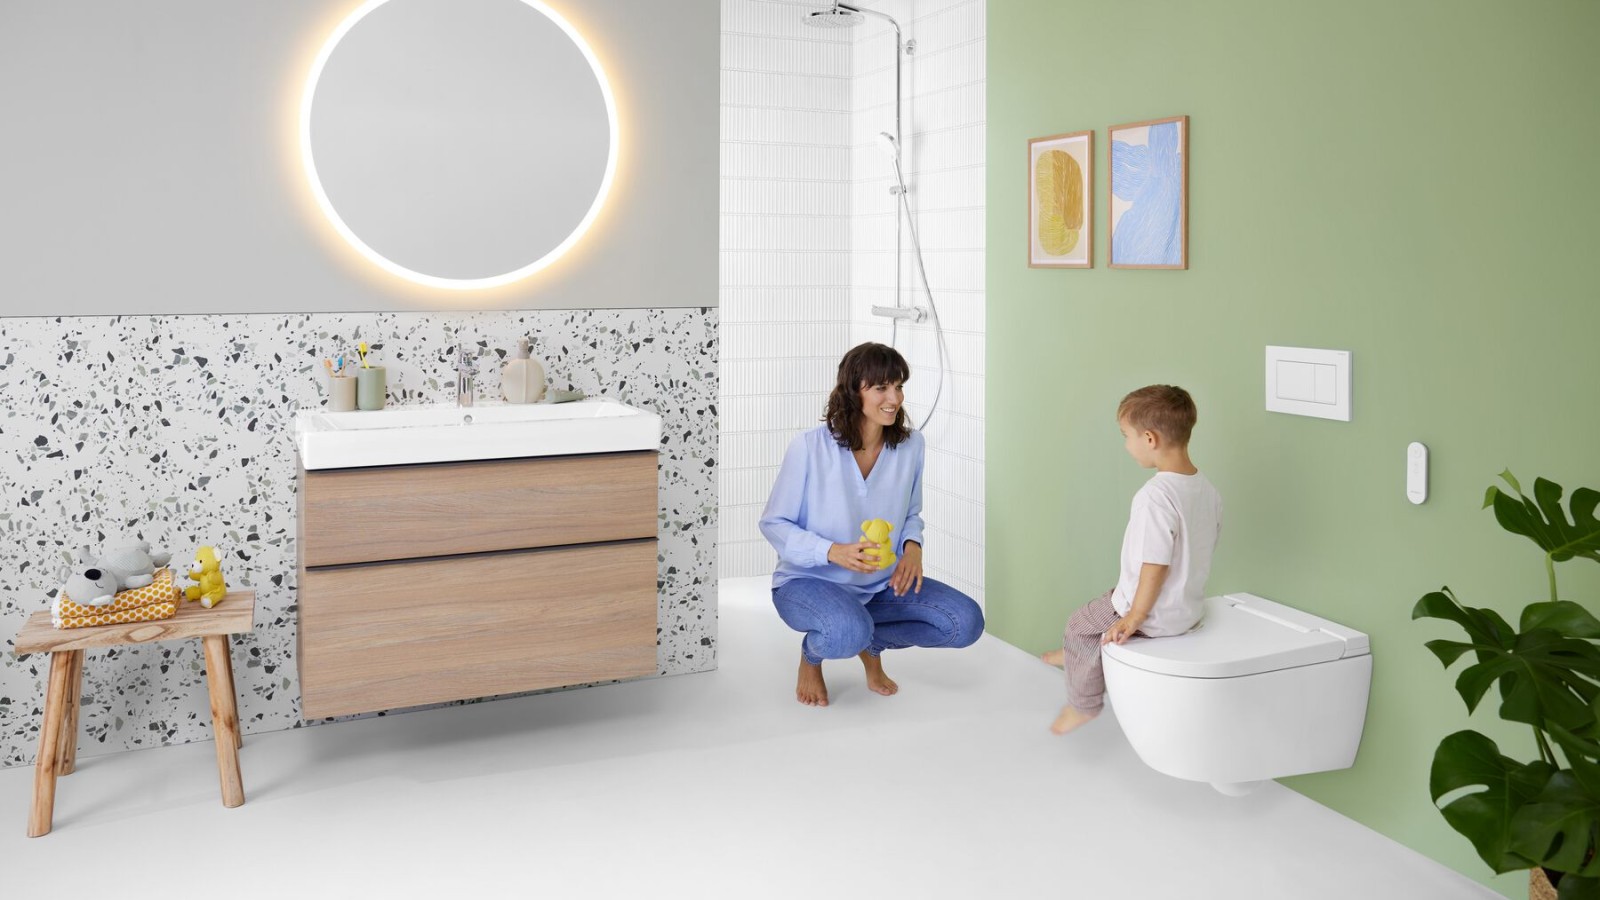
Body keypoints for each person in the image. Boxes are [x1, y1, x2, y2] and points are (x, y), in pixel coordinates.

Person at [759, 342, 985, 707]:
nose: (893, 398)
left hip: (881, 583)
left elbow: (911, 512)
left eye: (898, 386)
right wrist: (831, 551)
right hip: (808, 582)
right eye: (881, 388)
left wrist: (913, 549)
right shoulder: (809, 448)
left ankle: (871, 642)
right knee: (847, 631)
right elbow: (774, 523)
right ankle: (813, 655)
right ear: (854, 392)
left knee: (965, 622)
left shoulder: (911, 446)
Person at [1042, 385, 1222, 734]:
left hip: (1147, 610)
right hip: (1184, 611)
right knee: (1094, 624)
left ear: (1150, 438)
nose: (1126, 444)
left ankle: (1083, 703)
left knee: (1080, 626)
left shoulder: (1155, 496)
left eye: (1126, 436)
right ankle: (1079, 657)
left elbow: (1154, 564)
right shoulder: (1206, 490)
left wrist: (1135, 615)